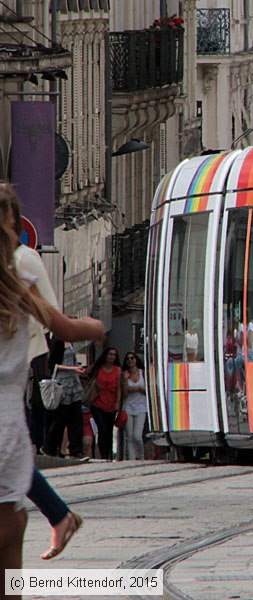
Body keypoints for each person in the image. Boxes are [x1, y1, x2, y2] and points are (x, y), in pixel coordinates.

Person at [0, 183, 105, 581]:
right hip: (6, 444)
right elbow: (64, 326)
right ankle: (60, 516)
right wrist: (97, 328)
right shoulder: (20, 284)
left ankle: (60, 516)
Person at [41, 339, 87, 458]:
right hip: (62, 384)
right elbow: (53, 365)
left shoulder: (71, 344)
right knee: (60, 419)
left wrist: (77, 368)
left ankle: (76, 450)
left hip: (74, 384)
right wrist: (73, 369)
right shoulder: (58, 342)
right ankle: (50, 447)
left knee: (76, 419)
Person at [88, 346, 122, 459]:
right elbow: (88, 375)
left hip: (111, 404)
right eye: (110, 354)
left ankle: (108, 455)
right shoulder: (99, 368)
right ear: (105, 355)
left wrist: (117, 402)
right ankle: (103, 455)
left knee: (109, 430)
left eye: (114, 355)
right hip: (97, 403)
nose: (112, 357)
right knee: (102, 429)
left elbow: (119, 388)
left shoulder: (118, 370)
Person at [121, 352, 148, 460]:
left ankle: (141, 456)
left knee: (137, 435)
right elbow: (124, 394)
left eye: (132, 358)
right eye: (128, 359)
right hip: (128, 407)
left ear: (136, 360)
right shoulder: (125, 375)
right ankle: (131, 460)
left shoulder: (143, 373)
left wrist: (139, 389)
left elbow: (149, 391)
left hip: (141, 407)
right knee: (129, 436)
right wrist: (126, 381)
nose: (130, 360)